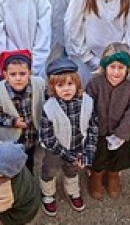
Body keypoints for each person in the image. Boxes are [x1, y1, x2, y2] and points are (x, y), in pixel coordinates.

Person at [38, 58, 98, 216]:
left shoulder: (88, 102)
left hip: (78, 145)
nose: (66, 89)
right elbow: (47, 137)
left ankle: (72, 191)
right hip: (55, 149)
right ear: (52, 87)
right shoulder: (49, 107)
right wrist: (68, 155)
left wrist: (88, 153)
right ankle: (48, 194)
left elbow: (93, 127)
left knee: (72, 169)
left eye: (70, 84)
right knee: (49, 170)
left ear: (77, 83)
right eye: (60, 85)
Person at [86, 42, 130, 200]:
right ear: (105, 67)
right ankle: (96, 176)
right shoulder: (95, 82)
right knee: (98, 158)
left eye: (121, 68)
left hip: (120, 132)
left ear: (128, 68)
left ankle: (113, 175)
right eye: (112, 67)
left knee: (117, 157)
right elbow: (88, 107)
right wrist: (92, 129)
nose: (116, 72)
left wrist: (121, 135)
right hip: (99, 131)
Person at [0, 50, 45, 168]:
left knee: (31, 162)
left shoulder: (39, 84)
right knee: (14, 164)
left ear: (30, 73)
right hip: (12, 139)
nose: (18, 78)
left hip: (33, 135)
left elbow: (47, 100)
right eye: (13, 75)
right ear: (5, 75)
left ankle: (30, 179)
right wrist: (12, 121)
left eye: (22, 74)